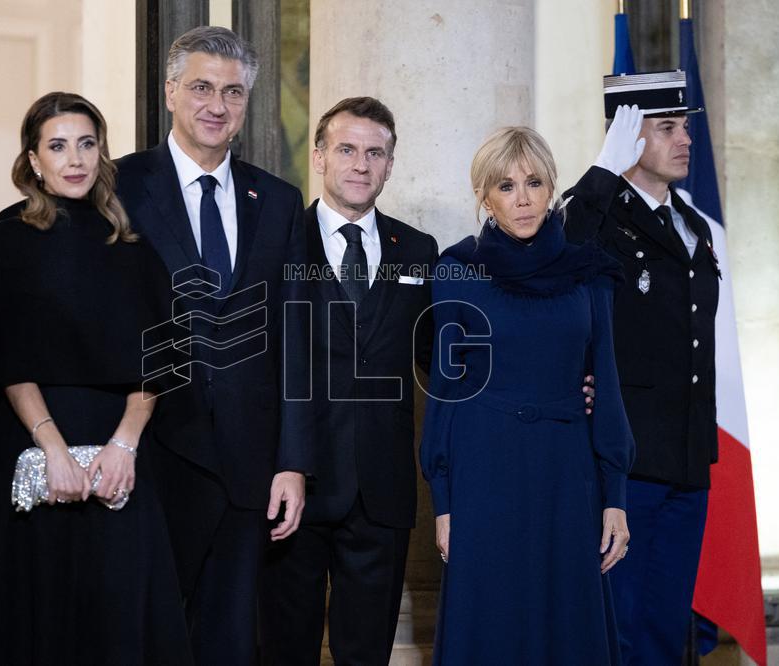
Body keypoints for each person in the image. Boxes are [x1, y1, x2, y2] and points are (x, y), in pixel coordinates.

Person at [0, 92, 191, 665]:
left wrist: (124, 446)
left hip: (122, 459)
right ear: (33, 160)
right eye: (57, 147)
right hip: (38, 447)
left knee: (120, 619)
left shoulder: (129, 242)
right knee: (41, 622)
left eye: (87, 144)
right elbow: (3, 357)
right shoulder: (9, 239)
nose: (75, 159)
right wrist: (55, 452)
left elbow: (158, 359)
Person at [115, 27, 312, 664]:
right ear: (170, 91)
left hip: (249, 464)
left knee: (229, 639)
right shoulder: (117, 187)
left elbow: (297, 336)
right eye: (200, 87)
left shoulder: (279, 200)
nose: (216, 104)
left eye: (232, 92)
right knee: (145, 632)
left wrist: (293, 461)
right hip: (151, 453)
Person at [420, 126, 634, 664]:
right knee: (490, 623)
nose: (522, 198)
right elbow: (447, 390)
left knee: (568, 621)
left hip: (567, 472)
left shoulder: (590, 273)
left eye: (534, 183)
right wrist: (443, 504)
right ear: (484, 197)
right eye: (506, 186)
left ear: (552, 188)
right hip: (483, 470)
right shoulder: (456, 270)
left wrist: (615, 496)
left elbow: (606, 385)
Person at [258, 97, 438, 665]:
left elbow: (443, 362)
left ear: (389, 165)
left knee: (368, 653)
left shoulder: (419, 250)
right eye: (347, 149)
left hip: (381, 492)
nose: (361, 164)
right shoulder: (277, 243)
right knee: (286, 648)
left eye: (375, 153)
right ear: (319, 157)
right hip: (293, 483)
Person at [564, 71, 721, 665]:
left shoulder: (693, 225)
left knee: (665, 619)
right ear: (627, 137)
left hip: (686, 452)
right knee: (619, 620)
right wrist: (602, 173)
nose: (684, 140)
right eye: (666, 127)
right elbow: (560, 248)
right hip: (627, 458)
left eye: (685, 127)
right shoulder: (602, 218)